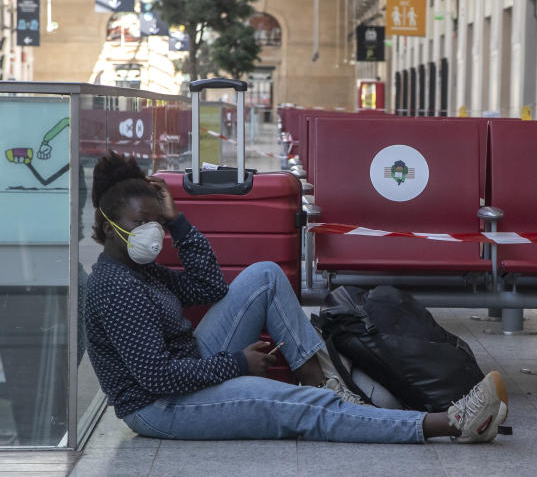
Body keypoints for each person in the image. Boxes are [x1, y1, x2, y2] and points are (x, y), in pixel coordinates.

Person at [84, 151, 508, 443]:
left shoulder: (140, 268)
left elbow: (211, 289)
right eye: (142, 224)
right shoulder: (117, 287)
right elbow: (156, 380)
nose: (151, 233)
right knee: (296, 407)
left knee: (266, 275)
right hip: (160, 407)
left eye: (155, 222)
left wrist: (177, 223)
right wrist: (237, 364)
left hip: (189, 363)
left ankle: (326, 383)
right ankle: (451, 425)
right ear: (106, 227)